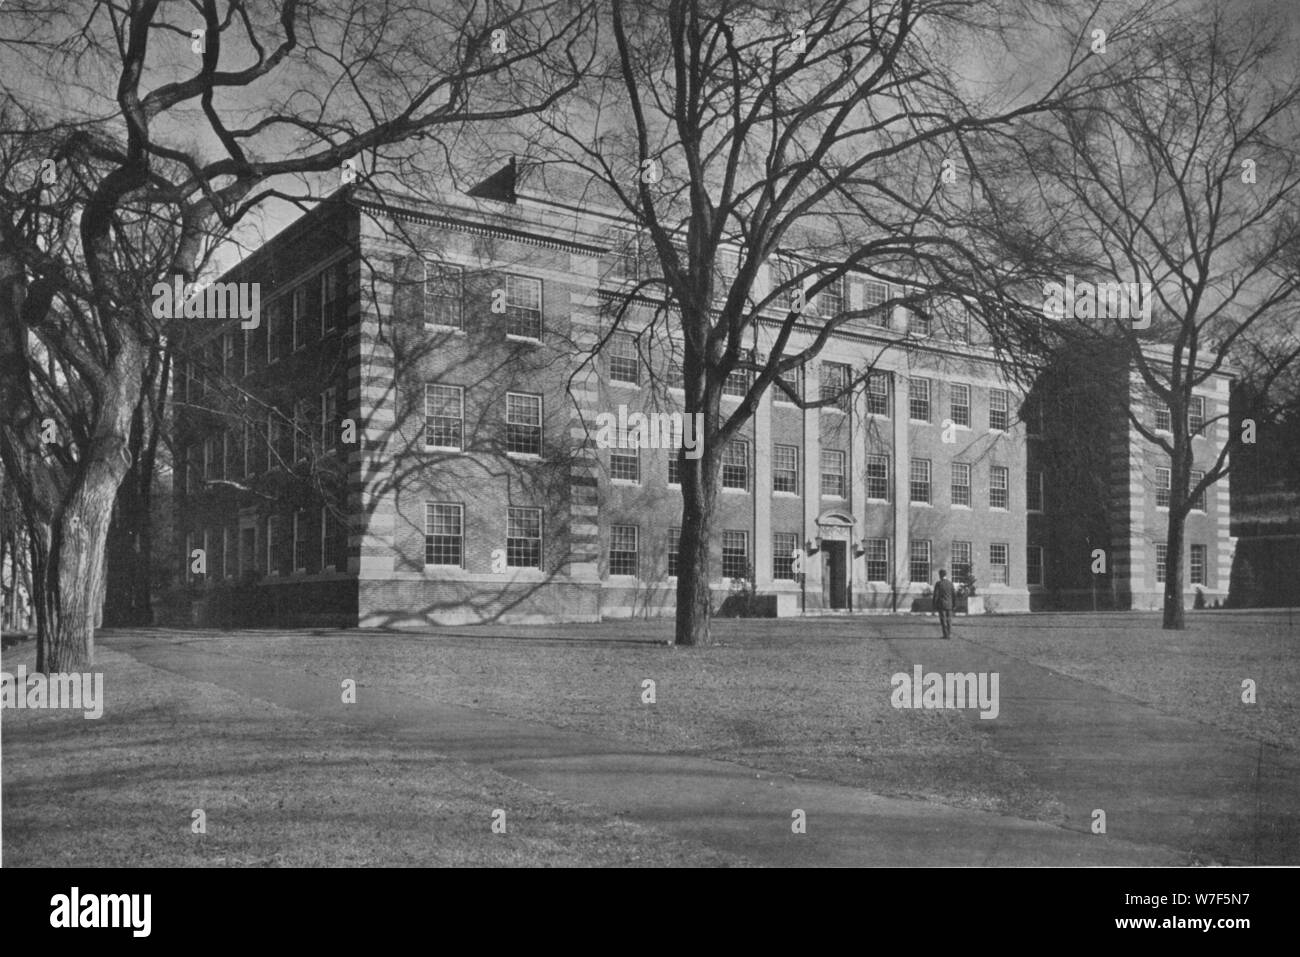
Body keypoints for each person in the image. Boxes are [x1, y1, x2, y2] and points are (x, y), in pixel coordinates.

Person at [933, 568, 956, 639]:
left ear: (940, 575)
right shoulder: (950, 583)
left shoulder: (938, 583)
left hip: (941, 604)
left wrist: (934, 604)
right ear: (946, 575)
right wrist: (954, 604)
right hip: (949, 604)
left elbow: (936, 595)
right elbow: (954, 595)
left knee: (943, 620)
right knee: (949, 619)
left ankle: (945, 634)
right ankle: (949, 634)